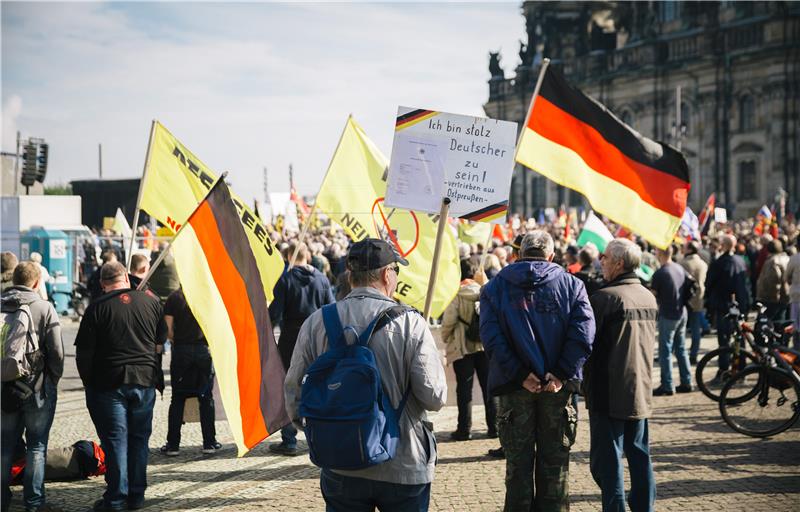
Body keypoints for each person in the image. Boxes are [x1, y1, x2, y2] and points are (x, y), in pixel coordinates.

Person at [284, 238, 446, 511]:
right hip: (403, 460)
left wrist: (322, 427)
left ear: (350, 276)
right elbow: (433, 397)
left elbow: (293, 392)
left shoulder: (316, 322)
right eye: (396, 270)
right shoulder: (411, 323)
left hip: (340, 460)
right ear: (386, 274)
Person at [480, 231, 595, 512]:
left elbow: (491, 338)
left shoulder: (495, 287)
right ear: (552, 256)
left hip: (515, 387)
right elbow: (583, 335)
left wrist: (520, 374)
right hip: (556, 389)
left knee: (517, 466)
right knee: (555, 466)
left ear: (519, 254)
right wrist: (560, 373)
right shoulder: (572, 285)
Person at [75, 261, 166, 511]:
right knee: (138, 440)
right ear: (126, 277)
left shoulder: (96, 308)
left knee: (115, 441)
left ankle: (116, 498)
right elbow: (160, 343)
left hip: (108, 384)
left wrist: (89, 384)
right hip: (144, 380)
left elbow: (84, 355)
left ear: (103, 284)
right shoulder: (151, 302)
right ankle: (136, 495)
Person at [585, 238, 657, 512]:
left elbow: (585, 343)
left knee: (609, 459)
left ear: (619, 263)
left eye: (604, 257)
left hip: (609, 388)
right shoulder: (648, 295)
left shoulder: (605, 298)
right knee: (639, 454)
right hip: (639, 386)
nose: (600, 261)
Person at [1, 262, 64, 512]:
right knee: (37, 445)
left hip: (4, 385)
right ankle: (34, 503)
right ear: (37, 282)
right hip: (36, 387)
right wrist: (52, 380)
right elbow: (57, 352)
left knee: (4, 444)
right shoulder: (44, 307)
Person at [268, 241, 335, 456]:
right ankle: (322, 435)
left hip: (291, 338)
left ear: (289, 257)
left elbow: (275, 314)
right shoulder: (322, 279)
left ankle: (289, 440)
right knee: (318, 385)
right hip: (317, 338)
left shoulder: (285, 280)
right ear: (307, 257)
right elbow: (331, 309)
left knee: (289, 386)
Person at [159, 288, 222, 457]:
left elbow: (168, 328)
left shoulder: (174, 297)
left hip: (181, 350)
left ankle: (173, 445)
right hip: (204, 350)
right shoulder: (207, 294)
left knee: (178, 398)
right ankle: (209, 442)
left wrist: (176, 340)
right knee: (206, 397)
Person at [441, 256, 496, 441]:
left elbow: (448, 321)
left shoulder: (456, 294)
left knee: (464, 389)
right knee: (488, 386)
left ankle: (464, 429)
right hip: (484, 346)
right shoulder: (485, 292)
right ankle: (494, 426)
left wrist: (445, 337)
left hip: (462, 347)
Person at [705, 234, 751, 374]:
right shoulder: (741, 261)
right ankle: (741, 366)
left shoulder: (719, 263)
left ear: (723, 245)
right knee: (739, 338)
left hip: (724, 306)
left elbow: (709, 283)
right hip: (739, 305)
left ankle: (724, 368)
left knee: (724, 339)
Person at [650, 246, 692, 395]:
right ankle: (686, 381)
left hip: (668, 314)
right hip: (682, 312)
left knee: (665, 350)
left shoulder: (660, 273)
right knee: (680, 348)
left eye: (656, 251)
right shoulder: (679, 268)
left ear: (660, 253)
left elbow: (652, 295)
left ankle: (667, 385)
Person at [680, 241, 709, 365]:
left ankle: (680, 354)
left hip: (685, 300)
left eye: (685, 247)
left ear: (690, 250)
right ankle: (694, 354)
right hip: (698, 299)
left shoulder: (684, 263)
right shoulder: (702, 263)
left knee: (680, 329)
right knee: (696, 329)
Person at [755, 240, 789, 321]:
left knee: (773, 323)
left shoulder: (772, 261)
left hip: (773, 298)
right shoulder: (787, 259)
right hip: (784, 296)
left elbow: (773, 281)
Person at [786, 238, 800, 349]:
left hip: (797, 297)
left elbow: (786, 277)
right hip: (796, 297)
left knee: (796, 328)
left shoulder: (795, 259)